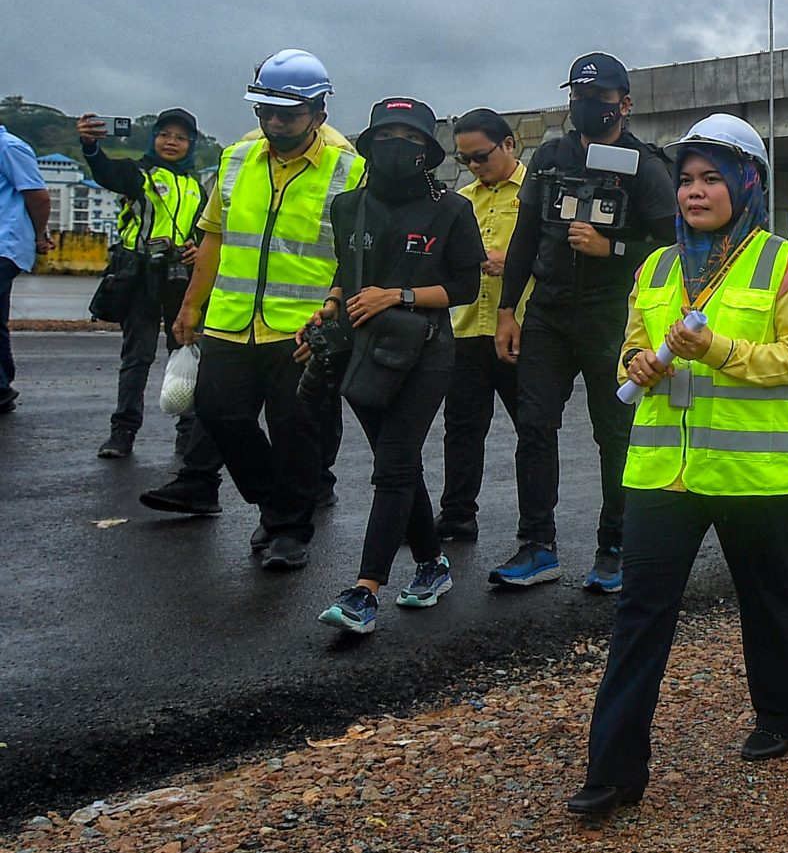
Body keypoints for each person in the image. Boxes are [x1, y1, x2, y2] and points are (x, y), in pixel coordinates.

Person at [570, 114, 788, 822]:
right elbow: (629, 347)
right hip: (660, 475)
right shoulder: (654, 267)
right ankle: (613, 771)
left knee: (769, 598)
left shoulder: (783, 263)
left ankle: (782, 713)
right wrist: (637, 363)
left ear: (747, 184)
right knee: (639, 615)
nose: (695, 192)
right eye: (686, 180)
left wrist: (719, 352)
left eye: (712, 178)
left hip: (752, 476)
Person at [491, 52, 679, 593]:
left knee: (614, 433)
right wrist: (508, 309)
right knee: (533, 426)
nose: (586, 107)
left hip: (611, 316)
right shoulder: (550, 156)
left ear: (625, 103)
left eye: (598, 99)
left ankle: (615, 548)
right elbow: (526, 235)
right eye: (578, 96)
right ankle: (536, 546)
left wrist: (611, 246)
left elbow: (669, 247)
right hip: (548, 312)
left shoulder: (645, 166)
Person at [172, 50, 363, 570]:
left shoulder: (350, 169)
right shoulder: (236, 159)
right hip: (231, 322)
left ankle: (287, 531)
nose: (274, 123)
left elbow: (357, 254)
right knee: (217, 413)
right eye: (265, 112)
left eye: (288, 114)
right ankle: (275, 502)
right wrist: (191, 306)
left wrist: (334, 311)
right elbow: (213, 237)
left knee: (296, 430)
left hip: (301, 329)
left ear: (319, 112)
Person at [312, 100, 485, 635]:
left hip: (425, 352)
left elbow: (464, 288)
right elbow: (347, 268)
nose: (395, 147)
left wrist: (398, 296)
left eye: (409, 140)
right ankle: (432, 565)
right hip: (360, 350)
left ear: (428, 153)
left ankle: (366, 591)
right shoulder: (347, 206)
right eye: (384, 136)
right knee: (401, 465)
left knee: (392, 464)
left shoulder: (452, 210)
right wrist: (331, 306)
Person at [76, 111, 223, 500]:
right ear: (153, 139)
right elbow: (106, 173)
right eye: (164, 135)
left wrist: (195, 247)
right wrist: (91, 147)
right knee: (136, 356)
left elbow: (205, 230)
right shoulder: (138, 174)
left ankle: (187, 432)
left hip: (179, 280)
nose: (171, 142)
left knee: (186, 354)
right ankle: (122, 432)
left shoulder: (197, 186)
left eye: (180, 137)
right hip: (139, 276)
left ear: (191, 144)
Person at [435, 110, 525, 543]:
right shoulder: (461, 199)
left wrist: (514, 264)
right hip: (468, 327)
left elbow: (560, 256)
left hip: (520, 329)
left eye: (481, 156)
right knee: (463, 427)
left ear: (510, 145)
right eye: (465, 158)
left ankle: (535, 528)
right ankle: (456, 515)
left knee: (533, 430)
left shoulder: (537, 195)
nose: (473, 166)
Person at [0, 124, 51, 415]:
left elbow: (39, 196)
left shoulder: (9, 147)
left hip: (4, 245)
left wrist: (40, 234)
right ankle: (2, 387)